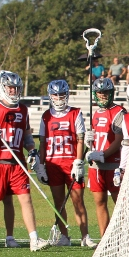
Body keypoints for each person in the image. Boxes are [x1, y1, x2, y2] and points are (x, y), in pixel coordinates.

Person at [0, 70, 49, 251]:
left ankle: (34, 239)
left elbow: (27, 136)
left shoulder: (22, 110)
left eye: (16, 88)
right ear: (2, 87)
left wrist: (32, 151)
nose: (13, 91)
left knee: (26, 199)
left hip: (17, 164)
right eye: (10, 87)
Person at [40, 80, 95, 247]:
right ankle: (64, 236)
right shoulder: (46, 116)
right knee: (59, 202)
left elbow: (80, 139)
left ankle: (85, 236)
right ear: (50, 96)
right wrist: (41, 165)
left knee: (78, 201)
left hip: (71, 162)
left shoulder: (75, 113)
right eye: (55, 95)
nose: (59, 98)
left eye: (61, 94)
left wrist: (78, 161)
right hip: (53, 163)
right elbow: (42, 142)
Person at [85, 77, 126, 237]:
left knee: (120, 204)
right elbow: (97, 138)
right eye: (99, 92)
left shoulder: (119, 112)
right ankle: (105, 238)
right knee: (99, 202)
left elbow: (119, 140)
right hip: (96, 166)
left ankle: (124, 236)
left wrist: (103, 154)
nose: (102, 95)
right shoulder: (95, 113)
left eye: (105, 92)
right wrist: (89, 142)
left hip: (113, 164)